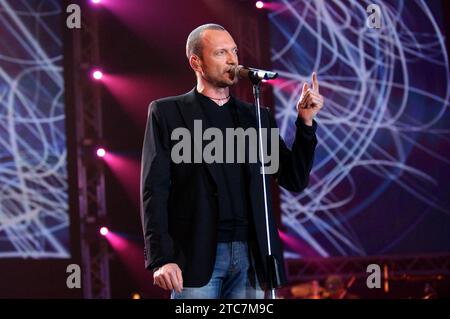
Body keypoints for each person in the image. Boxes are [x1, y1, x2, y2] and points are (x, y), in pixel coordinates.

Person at [140, 23, 324, 299]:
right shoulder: (168, 113)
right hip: (198, 254)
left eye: (234, 51)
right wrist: (161, 258)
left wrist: (306, 123)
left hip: (252, 257)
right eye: (221, 52)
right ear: (196, 62)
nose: (232, 60)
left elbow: (293, 178)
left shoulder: (256, 117)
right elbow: (154, 190)